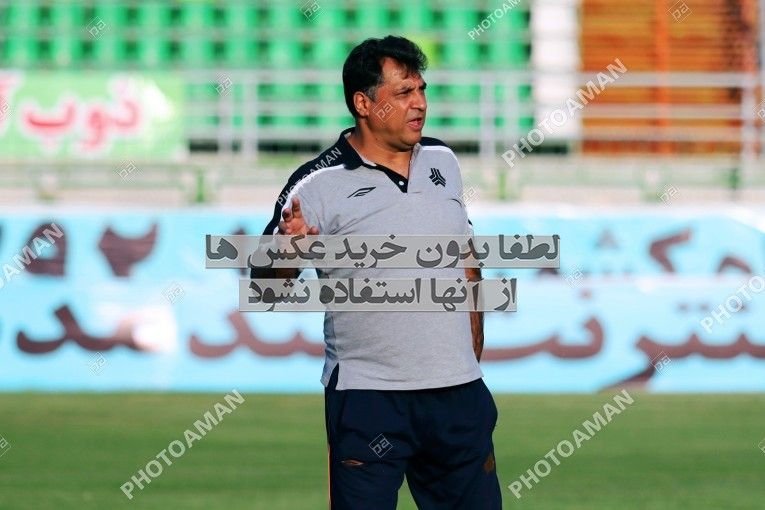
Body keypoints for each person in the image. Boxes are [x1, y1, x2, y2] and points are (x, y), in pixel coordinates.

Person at [252, 35, 501, 509]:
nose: (419, 103)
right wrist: (290, 252)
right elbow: (265, 289)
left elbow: (467, 262)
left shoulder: (444, 161)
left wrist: (470, 360)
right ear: (363, 103)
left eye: (422, 90)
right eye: (403, 93)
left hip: (457, 398)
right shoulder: (316, 183)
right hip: (369, 400)